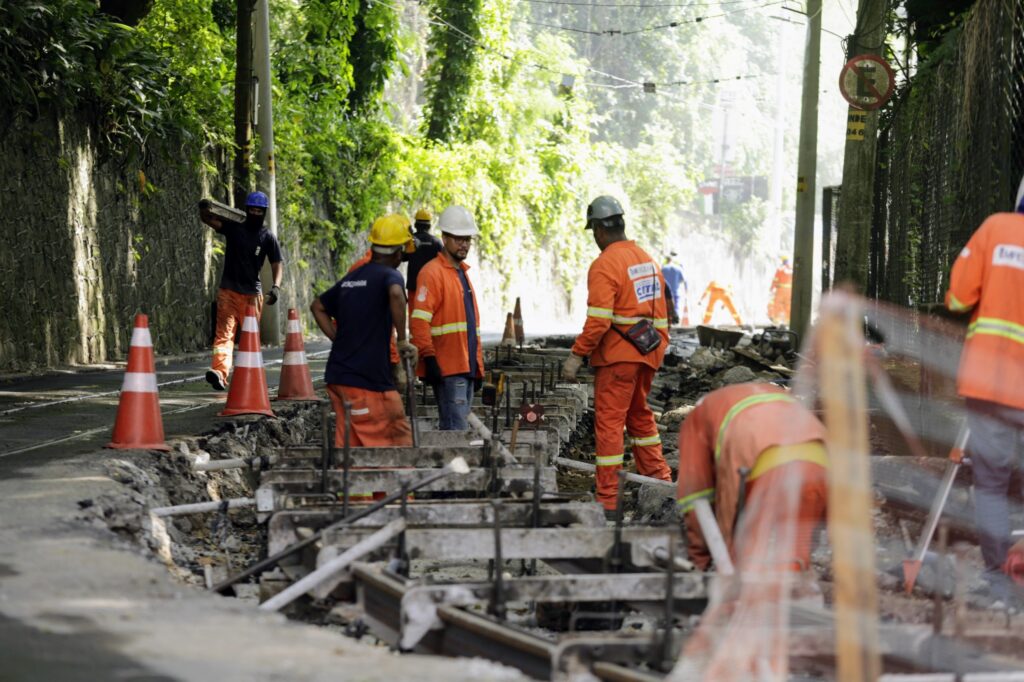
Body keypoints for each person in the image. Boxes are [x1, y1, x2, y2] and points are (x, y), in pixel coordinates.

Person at [561, 196, 673, 516]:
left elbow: (599, 321)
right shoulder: (646, 260)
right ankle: (660, 481)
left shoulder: (606, 264)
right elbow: (661, 314)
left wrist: (576, 355)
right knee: (639, 416)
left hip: (618, 358)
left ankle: (609, 500)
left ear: (598, 230)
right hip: (649, 353)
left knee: (610, 424)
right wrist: (657, 349)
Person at [945, 176, 1024, 607]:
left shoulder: (995, 229)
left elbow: (958, 299)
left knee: (992, 485)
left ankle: (1000, 586)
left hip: (991, 384)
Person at [676, 383, 828, 572]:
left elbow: (697, 498)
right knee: (796, 555)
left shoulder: (696, 418)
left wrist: (700, 561)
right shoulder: (772, 394)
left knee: (747, 567)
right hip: (821, 465)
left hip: (765, 467)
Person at [310, 214, 418, 447]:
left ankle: (351, 482)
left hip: (339, 377)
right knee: (389, 446)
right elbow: (397, 294)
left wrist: (338, 339)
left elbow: (317, 306)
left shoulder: (353, 277)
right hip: (365, 382)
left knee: (352, 446)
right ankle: (392, 482)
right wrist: (402, 340)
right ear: (399, 252)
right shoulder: (390, 275)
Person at [410, 205, 485, 430]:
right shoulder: (432, 273)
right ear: (444, 237)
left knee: (457, 430)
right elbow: (419, 321)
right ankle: (453, 466)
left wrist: (478, 366)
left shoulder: (460, 272)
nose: (464, 244)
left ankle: (453, 465)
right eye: (458, 239)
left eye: (467, 239)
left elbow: (470, 326)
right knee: (455, 431)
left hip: (465, 365)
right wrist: (429, 358)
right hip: (448, 368)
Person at [199, 191, 283, 391]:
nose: (255, 213)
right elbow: (209, 220)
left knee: (249, 339)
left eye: (258, 210)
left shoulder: (267, 236)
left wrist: (276, 286)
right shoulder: (234, 227)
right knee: (224, 336)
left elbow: (277, 262)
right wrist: (204, 209)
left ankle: (249, 380)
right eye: (252, 209)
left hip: (253, 297)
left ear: (263, 212)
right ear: (246, 210)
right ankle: (220, 372)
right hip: (228, 291)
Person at [405, 209, 443, 297]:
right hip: (431, 286)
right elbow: (444, 262)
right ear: (429, 225)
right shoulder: (436, 242)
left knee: (414, 311)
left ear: (415, 225)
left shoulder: (410, 241)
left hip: (413, 285)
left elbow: (403, 258)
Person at [662, 251, 688, 326]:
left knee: (666, 308)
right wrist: (686, 291)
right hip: (675, 292)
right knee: (676, 308)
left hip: (665, 293)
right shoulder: (678, 268)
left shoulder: (663, 268)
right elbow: (683, 280)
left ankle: (668, 324)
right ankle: (675, 323)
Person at [767, 256, 793, 326]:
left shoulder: (780, 269)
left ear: (782, 261)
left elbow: (775, 280)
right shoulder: (792, 269)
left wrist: (771, 288)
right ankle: (788, 321)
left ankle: (777, 320)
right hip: (790, 291)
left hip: (781, 290)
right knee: (788, 305)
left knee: (777, 304)